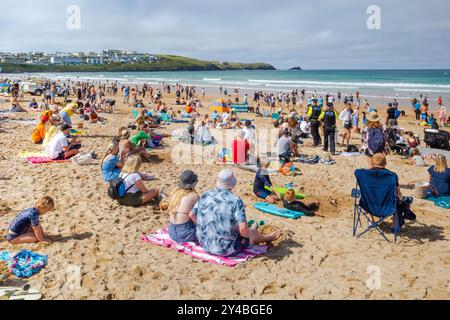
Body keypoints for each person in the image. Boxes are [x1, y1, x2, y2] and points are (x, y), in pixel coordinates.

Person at [191, 169, 282, 257]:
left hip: (205, 244)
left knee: (232, 225)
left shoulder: (205, 194)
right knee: (250, 232)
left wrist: (205, 226)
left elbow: (192, 215)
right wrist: (247, 233)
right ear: (232, 184)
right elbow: (243, 230)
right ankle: (266, 238)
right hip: (226, 249)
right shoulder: (235, 200)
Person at [369, 153, 416, 227]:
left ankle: (371, 220)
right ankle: (395, 224)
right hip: (387, 207)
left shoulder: (364, 174)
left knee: (369, 195)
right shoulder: (392, 176)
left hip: (369, 206)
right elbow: (398, 193)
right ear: (385, 163)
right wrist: (401, 199)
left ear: (371, 163)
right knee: (401, 200)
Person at [166, 171, 200, 244]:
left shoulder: (174, 193)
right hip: (186, 235)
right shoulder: (194, 196)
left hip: (171, 232)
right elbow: (197, 216)